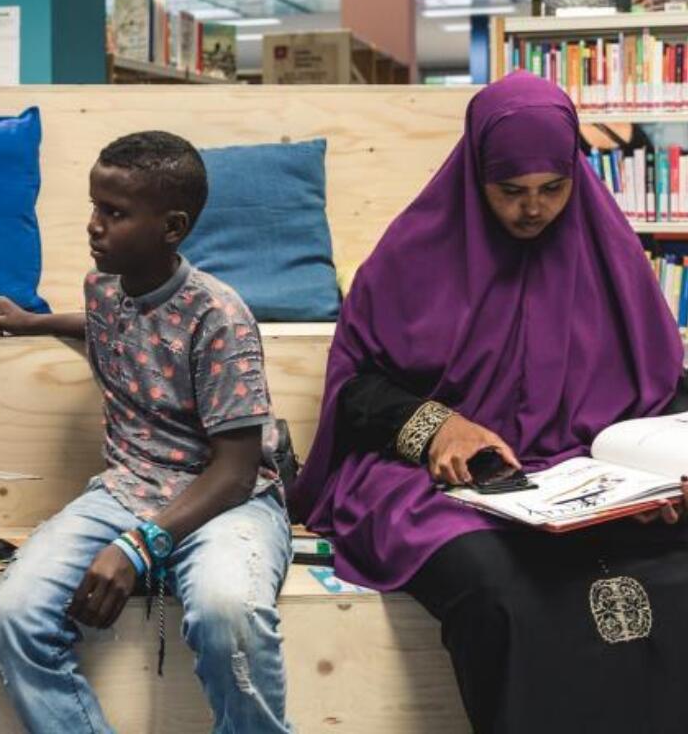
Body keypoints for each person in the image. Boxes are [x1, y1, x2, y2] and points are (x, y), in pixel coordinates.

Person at [290, 71, 688, 733]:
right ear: (474, 174)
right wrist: (437, 425)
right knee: (496, 587)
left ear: (576, 175)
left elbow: (664, 385)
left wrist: (669, 474)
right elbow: (357, 390)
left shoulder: (610, 257)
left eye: (552, 189)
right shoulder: (411, 258)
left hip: (591, 475)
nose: (532, 210)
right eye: (510, 192)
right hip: (441, 482)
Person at [0, 131, 293, 734]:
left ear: (172, 228)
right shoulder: (105, 289)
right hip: (125, 488)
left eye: (115, 213)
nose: (94, 226)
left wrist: (137, 545)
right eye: (95, 207)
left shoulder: (220, 318)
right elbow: (109, 322)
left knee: (230, 617)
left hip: (224, 502)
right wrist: (33, 323)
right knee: (11, 616)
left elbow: (235, 471)